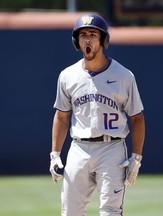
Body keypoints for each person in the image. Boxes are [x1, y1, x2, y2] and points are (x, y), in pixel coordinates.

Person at [49, 13, 145, 216]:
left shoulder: (123, 76)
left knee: (110, 211)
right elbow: (61, 116)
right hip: (79, 148)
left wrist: (136, 157)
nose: (88, 40)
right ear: (77, 41)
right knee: (70, 211)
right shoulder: (67, 76)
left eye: (93, 34)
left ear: (103, 40)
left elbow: (137, 118)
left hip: (112, 148)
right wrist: (55, 154)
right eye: (83, 35)